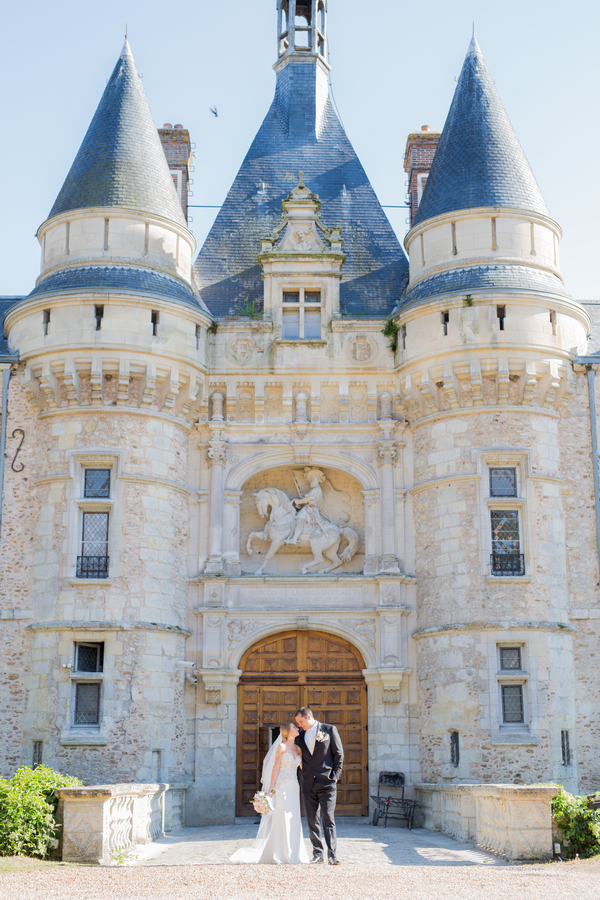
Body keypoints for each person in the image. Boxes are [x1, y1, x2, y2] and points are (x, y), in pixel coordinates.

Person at [230, 721, 309, 865]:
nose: (297, 728)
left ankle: (295, 854)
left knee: (294, 819)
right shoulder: (281, 747)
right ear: (287, 731)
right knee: (282, 818)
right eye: (294, 727)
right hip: (281, 786)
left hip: (294, 787)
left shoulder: (298, 749)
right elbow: (276, 768)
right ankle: (280, 854)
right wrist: (270, 790)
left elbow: (303, 767)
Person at [295, 706, 343, 865]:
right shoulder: (299, 737)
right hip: (308, 784)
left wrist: (335, 776)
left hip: (327, 783)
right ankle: (318, 853)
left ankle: (332, 854)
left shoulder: (329, 730)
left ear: (308, 717)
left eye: (300, 721)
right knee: (311, 820)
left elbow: (339, 754)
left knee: (328, 818)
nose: (299, 725)